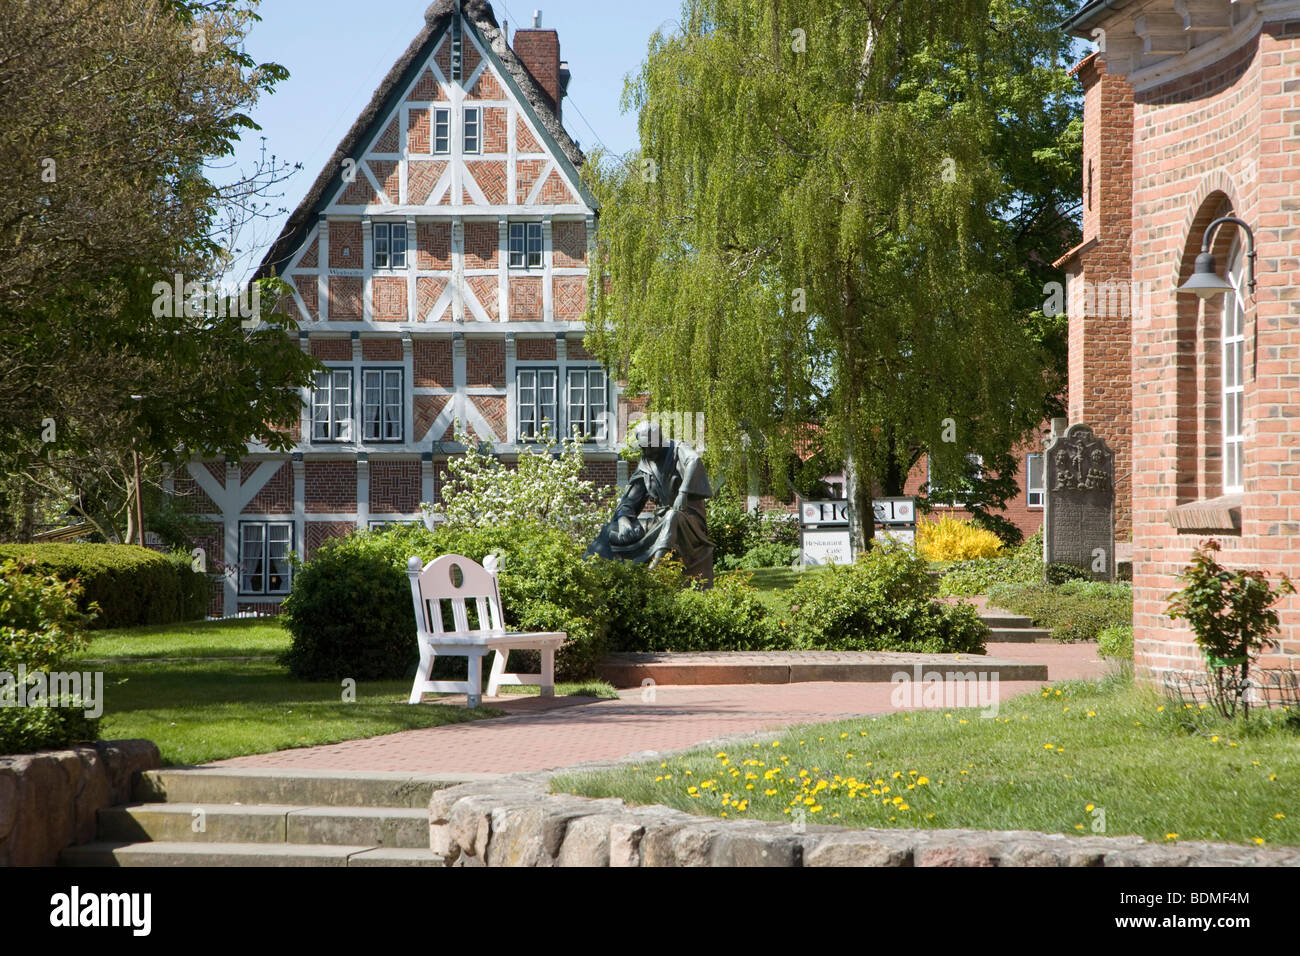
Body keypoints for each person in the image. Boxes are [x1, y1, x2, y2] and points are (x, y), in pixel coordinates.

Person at [587, 419, 715, 584]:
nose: (647, 451)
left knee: (672, 516)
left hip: (689, 519)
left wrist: (683, 493)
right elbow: (629, 501)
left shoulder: (677, 450)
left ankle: (654, 573)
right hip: (660, 520)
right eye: (643, 447)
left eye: (651, 446)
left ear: (661, 440)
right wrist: (624, 520)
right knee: (611, 529)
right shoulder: (645, 465)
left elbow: (694, 461)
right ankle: (593, 575)